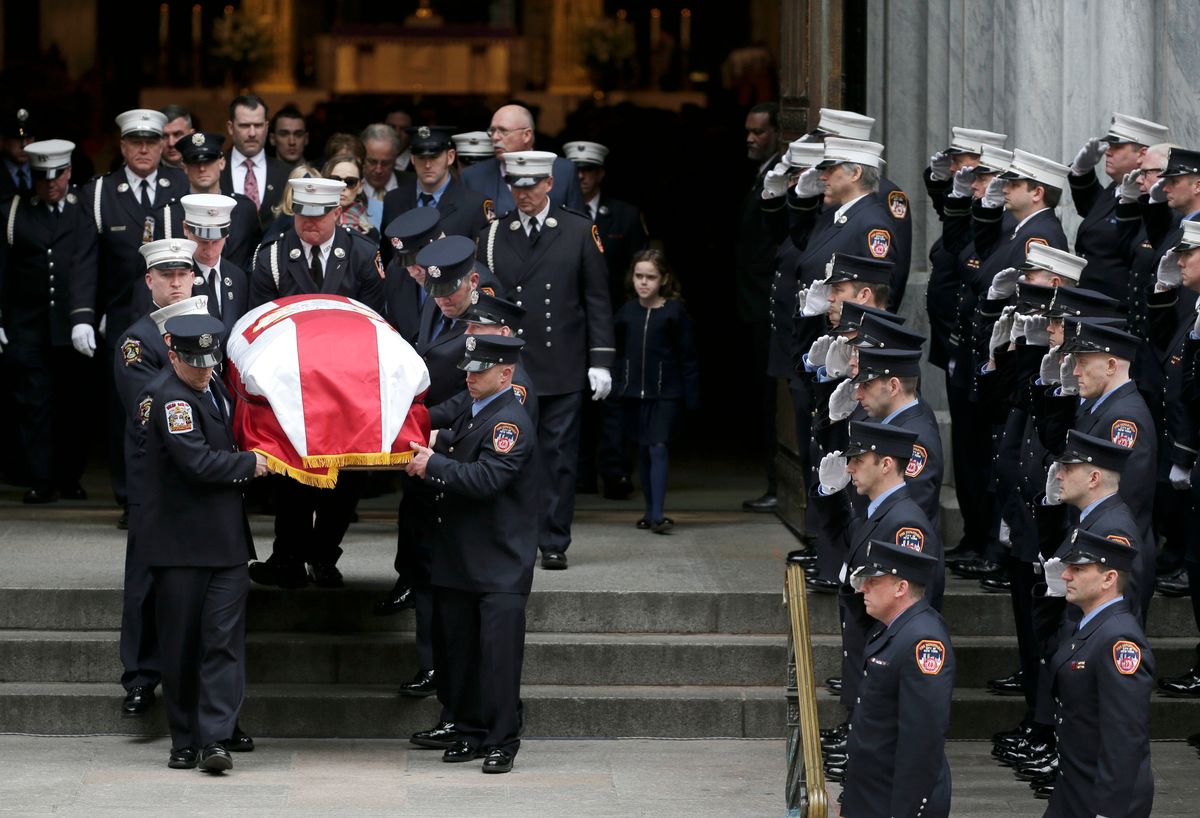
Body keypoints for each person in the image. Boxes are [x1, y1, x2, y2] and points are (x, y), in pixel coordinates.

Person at [139, 313, 268, 772]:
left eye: (209, 361)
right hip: (181, 547)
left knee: (223, 644)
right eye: (194, 361)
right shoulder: (168, 398)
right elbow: (194, 461)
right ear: (173, 353)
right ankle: (185, 739)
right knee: (180, 645)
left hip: (226, 545)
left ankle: (215, 739)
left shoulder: (214, 388)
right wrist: (248, 465)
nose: (203, 369)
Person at [405, 333, 537, 774]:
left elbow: (486, 479)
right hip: (460, 557)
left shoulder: (509, 421)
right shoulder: (472, 406)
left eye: (480, 370)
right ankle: (468, 729)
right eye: (469, 369)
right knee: (458, 654)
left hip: (498, 562)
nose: (470, 376)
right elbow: (444, 432)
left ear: (506, 373)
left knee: (497, 659)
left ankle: (502, 740)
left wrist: (433, 465)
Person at [477, 149, 614, 570]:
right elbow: (487, 304)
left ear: (549, 184)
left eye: (532, 185)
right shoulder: (495, 233)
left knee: (558, 457)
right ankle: (510, 536)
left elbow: (597, 300)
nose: (524, 194)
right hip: (513, 366)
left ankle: (553, 538)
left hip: (564, 362)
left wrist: (601, 360)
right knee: (508, 452)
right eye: (516, 186)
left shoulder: (577, 230)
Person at [247, 177, 385, 589]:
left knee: (345, 478)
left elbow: (376, 321)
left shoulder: (362, 255)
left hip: (349, 386)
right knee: (291, 473)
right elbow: (259, 322)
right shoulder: (271, 256)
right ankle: (287, 557)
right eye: (302, 214)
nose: (309, 223)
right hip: (292, 386)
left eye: (320, 214)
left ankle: (324, 554)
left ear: (338, 214)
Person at [811, 421, 943, 779]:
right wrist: (829, 493)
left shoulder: (904, 525)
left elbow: (908, 606)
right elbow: (845, 540)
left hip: (884, 656)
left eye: (859, 460)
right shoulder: (878, 512)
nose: (850, 468)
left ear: (886, 464)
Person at [80, 108, 190, 526]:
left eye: (151, 142)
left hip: (174, 314)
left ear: (164, 145)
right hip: (120, 319)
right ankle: (131, 498)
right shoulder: (99, 192)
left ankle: (174, 491)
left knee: (180, 404)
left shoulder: (179, 184)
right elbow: (86, 260)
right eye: (135, 142)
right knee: (128, 410)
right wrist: (84, 315)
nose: (144, 149)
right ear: (122, 146)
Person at [113, 238, 200, 719]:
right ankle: (141, 678)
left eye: (181, 274)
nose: (174, 282)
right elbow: (149, 407)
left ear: (193, 277)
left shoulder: (211, 331)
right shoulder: (137, 340)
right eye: (164, 275)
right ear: (149, 281)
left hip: (203, 478)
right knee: (145, 580)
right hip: (157, 478)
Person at [0, 138, 97, 503]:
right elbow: (4, 269)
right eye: (42, 178)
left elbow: (89, 263)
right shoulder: (14, 211)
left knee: (74, 406)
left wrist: (85, 316)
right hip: (28, 326)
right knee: (34, 406)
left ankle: (69, 476)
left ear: (69, 172)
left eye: (57, 176)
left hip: (72, 326)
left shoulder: (84, 207)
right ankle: (41, 479)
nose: (51, 184)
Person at [1042, 530, 1154, 817]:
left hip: (1101, 796)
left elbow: (1124, 737)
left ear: (1109, 578)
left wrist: (1108, 810)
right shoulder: (1090, 626)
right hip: (1074, 786)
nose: (1066, 576)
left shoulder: (1118, 640)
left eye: (1078, 569)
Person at [841, 541, 954, 818]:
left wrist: (906, 811)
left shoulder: (923, 639)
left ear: (901, 588)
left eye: (873, 582)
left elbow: (922, 738)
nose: (863, 588)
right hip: (871, 793)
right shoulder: (894, 629)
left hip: (893, 800)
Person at [563, 139, 648, 500]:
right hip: (568, 323)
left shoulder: (624, 215)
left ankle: (614, 472)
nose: (582, 177)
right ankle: (580, 473)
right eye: (576, 171)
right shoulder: (559, 214)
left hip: (615, 322)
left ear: (600, 174)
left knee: (614, 401)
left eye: (589, 171)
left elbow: (640, 268)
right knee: (573, 400)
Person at [613, 250, 699, 533]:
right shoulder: (626, 312)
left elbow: (688, 356)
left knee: (658, 447)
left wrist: (691, 395)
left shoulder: (675, 312)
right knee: (643, 449)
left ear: (663, 279)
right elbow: (618, 352)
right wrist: (616, 386)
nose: (644, 282)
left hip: (666, 392)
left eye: (650, 277)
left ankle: (659, 513)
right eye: (639, 276)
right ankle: (649, 512)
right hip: (633, 392)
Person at [737, 102, 784, 514]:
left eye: (759, 132)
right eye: (748, 131)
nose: (751, 138)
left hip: (770, 304)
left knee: (774, 399)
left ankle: (780, 485)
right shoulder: (764, 174)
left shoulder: (783, 177)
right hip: (755, 302)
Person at [1068, 113, 1168, 300]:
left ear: (1142, 154)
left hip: (1114, 307)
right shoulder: (1117, 187)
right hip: (1090, 301)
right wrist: (1081, 173)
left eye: (1117, 146)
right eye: (1109, 145)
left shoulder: (1150, 199)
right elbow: (1093, 215)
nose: (1108, 151)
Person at [379, 125, 491, 267]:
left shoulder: (474, 205)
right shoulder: (394, 200)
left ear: (450, 157)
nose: (427, 165)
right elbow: (387, 257)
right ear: (412, 159)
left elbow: (480, 263)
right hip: (404, 288)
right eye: (421, 157)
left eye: (434, 157)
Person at [155, 131, 261, 272]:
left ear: (222, 163)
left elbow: (255, 258)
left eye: (209, 161)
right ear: (184, 167)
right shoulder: (168, 214)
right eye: (194, 162)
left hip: (238, 291)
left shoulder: (245, 208)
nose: (202, 168)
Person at [459, 104, 583, 214]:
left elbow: (578, 227)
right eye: (492, 130)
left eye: (503, 131)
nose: (495, 137)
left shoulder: (564, 171)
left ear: (526, 135)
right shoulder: (473, 176)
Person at [177, 194, 251, 338]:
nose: (210, 251)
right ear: (186, 228)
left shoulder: (237, 276)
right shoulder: (176, 277)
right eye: (202, 241)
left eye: (216, 241)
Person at [220, 94, 288, 227]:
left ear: (267, 127)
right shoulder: (214, 171)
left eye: (258, 125)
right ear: (230, 127)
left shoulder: (286, 174)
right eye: (244, 126)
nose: (252, 133)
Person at [380, 207, 445, 344]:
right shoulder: (396, 271)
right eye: (407, 263)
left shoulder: (466, 280)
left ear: (438, 246)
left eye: (418, 262)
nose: (412, 272)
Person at [323, 153, 380, 239]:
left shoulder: (369, 232)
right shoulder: (311, 222)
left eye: (350, 181)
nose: (342, 187)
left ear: (360, 186)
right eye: (335, 180)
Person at [361, 123, 406, 201]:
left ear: (395, 159)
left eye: (385, 163)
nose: (378, 170)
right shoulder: (349, 188)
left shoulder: (414, 186)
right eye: (372, 162)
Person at [0, 107, 35, 199]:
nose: (24, 145)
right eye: (17, 139)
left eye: (28, 139)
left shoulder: (42, 169)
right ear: (4, 141)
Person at [159, 104, 195, 169]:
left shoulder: (204, 168)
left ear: (191, 135)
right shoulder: (148, 173)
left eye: (177, 134)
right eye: (164, 136)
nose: (171, 143)